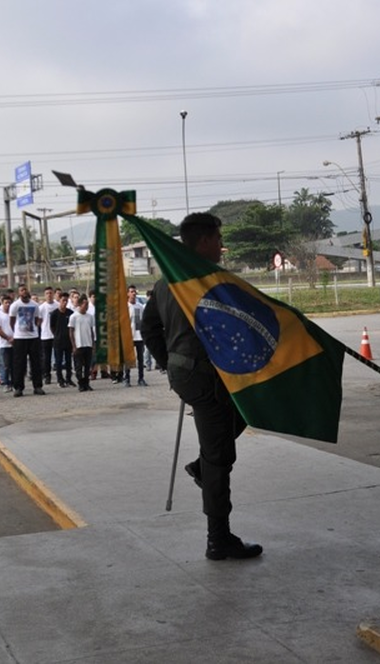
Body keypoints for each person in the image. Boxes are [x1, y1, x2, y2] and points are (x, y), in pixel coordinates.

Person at [141, 212, 263, 561]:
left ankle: (200, 466)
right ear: (205, 240)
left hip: (186, 373)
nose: (222, 246)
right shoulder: (211, 281)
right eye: (219, 239)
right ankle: (218, 539)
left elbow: (149, 328)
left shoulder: (166, 282)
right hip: (208, 377)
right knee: (219, 458)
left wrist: (169, 363)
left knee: (238, 423)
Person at [8, 284, 45, 397]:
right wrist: (16, 331)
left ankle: (37, 386)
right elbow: (12, 320)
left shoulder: (34, 305)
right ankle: (18, 387)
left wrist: (35, 327)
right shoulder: (15, 305)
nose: (24, 292)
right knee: (19, 364)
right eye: (21, 290)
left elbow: (38, 318)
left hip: (33, 337)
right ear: (19, 293)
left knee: (36, 363)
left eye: (25, 289)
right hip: (20, 338)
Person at [68, 296, 95, 392]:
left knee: (87, 366)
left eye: (87, 304)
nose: (86, 306)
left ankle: (86, 383)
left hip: (88, 344)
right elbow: (71, 332)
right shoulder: (73, 317)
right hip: (79, 344)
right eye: (84, 304)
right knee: (79, 367)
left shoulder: (90, 317)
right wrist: (74, 346)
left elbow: (91, 331)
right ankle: (80, 383)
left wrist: (93, 344)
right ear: (80, 304)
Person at [49, 292, 75, 388]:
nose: (65, 302)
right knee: (58, 361)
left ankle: (69, 378)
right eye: (63, 300)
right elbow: (52, 327)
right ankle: (60, 379)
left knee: (68, 361)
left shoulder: (70, 313)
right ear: (59, 301)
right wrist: (57, 334)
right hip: (58, 341)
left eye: (66, 301)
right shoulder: (54, 313)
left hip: (68, 341)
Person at [124, 285, 147, 387]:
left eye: (134, 292)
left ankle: (141, 378)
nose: (133, 293)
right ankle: (127, 379)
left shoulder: (139, 306)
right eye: (131, 291)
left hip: (138, 336)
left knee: (140, 359)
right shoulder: (125, 307)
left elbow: (141, 322)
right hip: (129, 336)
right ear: (128, 294)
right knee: (128, 359)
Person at [0, 295, 14, 392]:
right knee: (6, 365)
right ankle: (6, 383)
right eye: (6, 303)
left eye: (9, 303)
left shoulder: (14, 315)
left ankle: (15, 383)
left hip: (14, 343)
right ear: (2, 303)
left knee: (15, 365)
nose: (8, 305)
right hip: (4, 344)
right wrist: (8, 338)